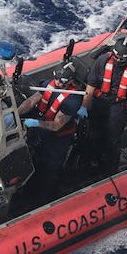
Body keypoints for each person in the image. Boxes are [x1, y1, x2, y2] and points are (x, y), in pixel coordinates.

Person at [80, 34, 127, 174]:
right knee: (94, 134)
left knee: (112, 138)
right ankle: (92, 161)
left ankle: (111, 169)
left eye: (122, 58)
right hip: (99, 101)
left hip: (118, 106)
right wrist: (84, 106)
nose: (119, 60)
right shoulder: (102, 61)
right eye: (116, 57)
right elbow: (91, 84)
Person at [18, 61, 84, 201]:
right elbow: (31, 101)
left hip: (56, 138)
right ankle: (28, 190)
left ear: (71, 81)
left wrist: (36, 123)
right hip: (40, 129)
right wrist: (15, 114)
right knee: (33, 160)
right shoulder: (50, 84)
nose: (58, 83)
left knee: (49, 168)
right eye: (56, 78)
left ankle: (44, 199)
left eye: (63, 80)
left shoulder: (72, 99)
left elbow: (56, 125)